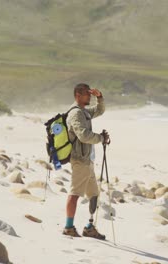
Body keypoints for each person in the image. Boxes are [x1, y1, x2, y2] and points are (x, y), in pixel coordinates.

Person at [63, 83, 110, 239]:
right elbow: (83, 135)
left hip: (87, 159)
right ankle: (68, 227)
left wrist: (99, 97)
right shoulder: (75, 114)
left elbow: (99, 110)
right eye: (87, 94)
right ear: (78, 95)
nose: (89, 97)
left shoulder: (84, 112)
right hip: (79, 159)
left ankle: (89, 227)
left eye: (90, 94)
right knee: (75, 193)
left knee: (93, 194)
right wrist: (101, 138)